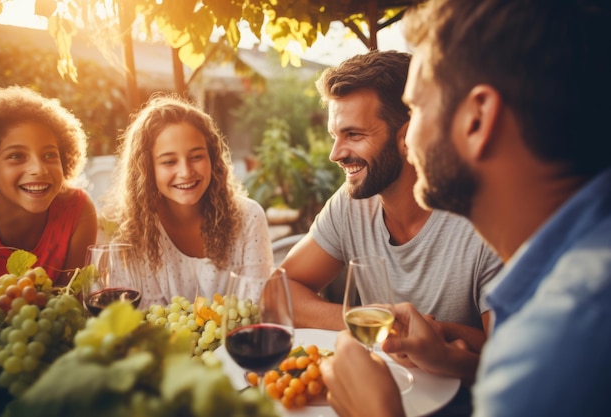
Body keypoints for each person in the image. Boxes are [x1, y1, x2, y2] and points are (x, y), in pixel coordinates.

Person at [320, 1, 611, 417]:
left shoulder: (552, 349)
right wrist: (451, 343)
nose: (408, 141)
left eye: (417, 109)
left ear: (477, 119)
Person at [280, 50, 502, 383]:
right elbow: (279, 290)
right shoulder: (351, 203)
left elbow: (512, 362)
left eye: (353, 135)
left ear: (407, 136)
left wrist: (444, 354)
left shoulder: (482, 222)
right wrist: (374, 322)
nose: (335, 154)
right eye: (334, 136)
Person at [100, 94, 272, 308]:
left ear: (213, 158)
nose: (186, 172)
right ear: (146, 169)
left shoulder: (249, 217)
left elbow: (257, 307)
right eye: (169, 161)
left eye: (197, 156)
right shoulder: (129, 233)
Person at [0, 86, 97, 295]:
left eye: (49, 155)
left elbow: (71, 302)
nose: (39, 169)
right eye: (17, 156)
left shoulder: (77, 209)